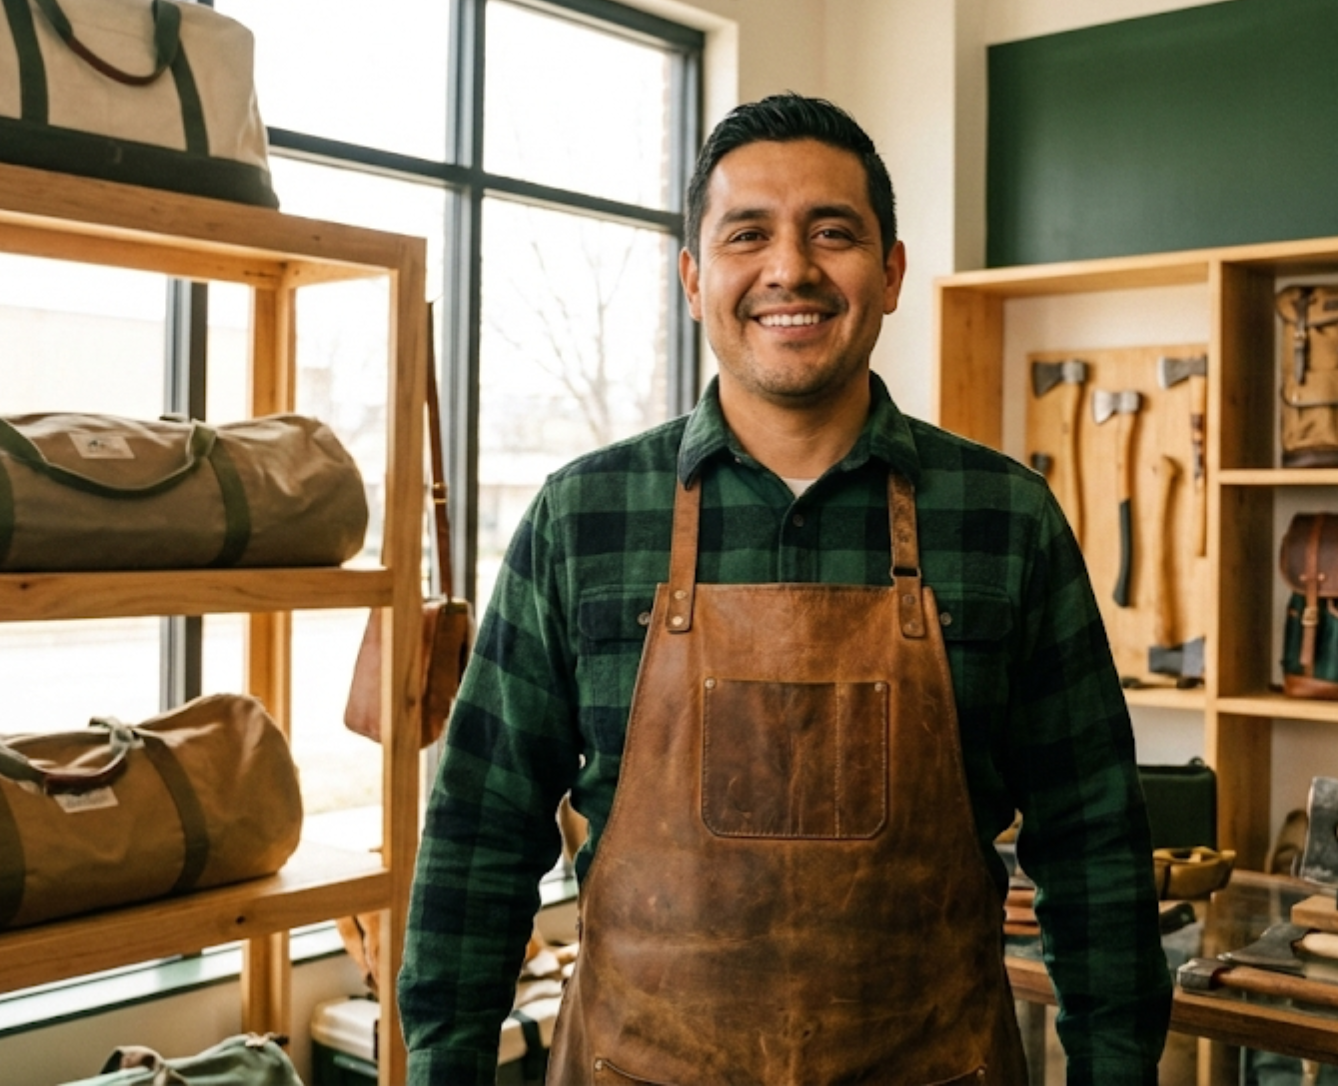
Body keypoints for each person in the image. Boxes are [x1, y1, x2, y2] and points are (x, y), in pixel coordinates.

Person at [400, 92, 1171, 1086]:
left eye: (833, 233)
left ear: (889, 273)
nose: (789, 270)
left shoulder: (1006, 520)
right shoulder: (580, 519)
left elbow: (1093, 849)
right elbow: (478, 840)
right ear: (691, 278)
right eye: (746, 234)